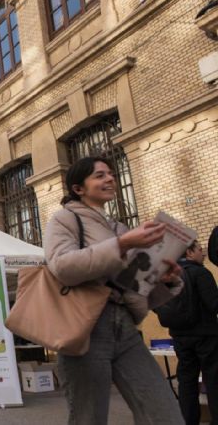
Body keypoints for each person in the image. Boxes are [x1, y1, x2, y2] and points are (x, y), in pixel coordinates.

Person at [44, 156, 184, 425]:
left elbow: (132, 286)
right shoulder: (65, 219)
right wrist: (122, 244)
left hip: (126, 327)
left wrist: (164, 279)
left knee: (164, 413)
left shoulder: (119, 227)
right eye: (99, 175)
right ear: (78, 188)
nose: (109, 179)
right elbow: (62, 267)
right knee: (89, 417)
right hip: (84, 327)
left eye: (110, 173)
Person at [167, 239, 218, 424]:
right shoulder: (200, 273)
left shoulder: (168, 275)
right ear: (189, 252)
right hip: (206, 337)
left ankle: (188, 420)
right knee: (213, 380)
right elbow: (214, 304)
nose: (203, 252)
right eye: (199, 249)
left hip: (180, 337)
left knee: (187, 382)